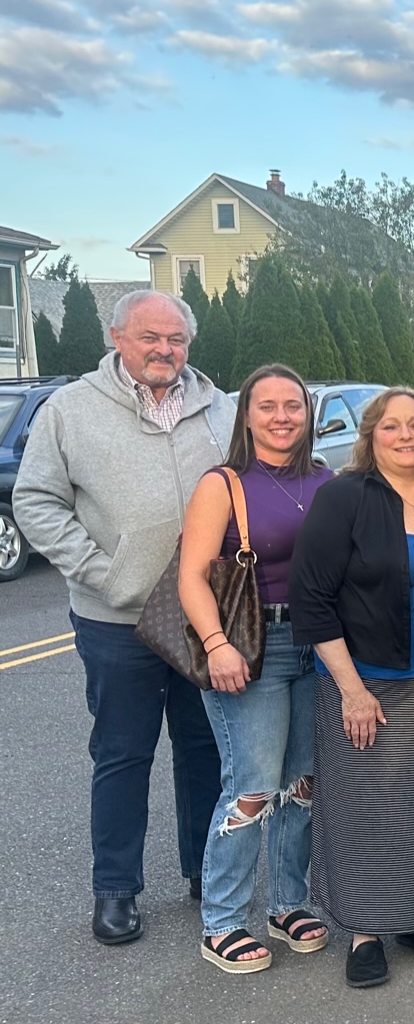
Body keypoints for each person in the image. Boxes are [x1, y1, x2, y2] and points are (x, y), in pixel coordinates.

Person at [14, 289, 233, 946]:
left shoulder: (220, 408)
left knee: (204, 748)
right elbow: (36, 500)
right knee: (122, 753)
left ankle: (204, 872)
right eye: (150, 337)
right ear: (117, 338)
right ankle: (115, 890)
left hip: (204, 614)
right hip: (116, 620)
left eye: (176, 339)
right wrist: (103, 573)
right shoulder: (70, 410)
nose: (164, 349)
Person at [290, 390, 414, 989]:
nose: (406, 435)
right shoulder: (345, 497)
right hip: (365, 678)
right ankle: (365, 930)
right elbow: (311, 599)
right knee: (364, 807)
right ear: (371, 436)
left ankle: (413, 915)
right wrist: (352, 689)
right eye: (391, 426)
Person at [178, 365, 333, 972]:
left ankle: (288, 903)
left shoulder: (324, 478)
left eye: (293, 405)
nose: (281, 417)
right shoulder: (224, 483)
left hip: (318, 645)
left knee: (302, 783)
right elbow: (193, 575)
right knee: (252, 785)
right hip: (249, 644)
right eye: (267, 406)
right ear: (246, 415)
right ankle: (222, 921)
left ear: (308, 413)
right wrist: (216, 644)